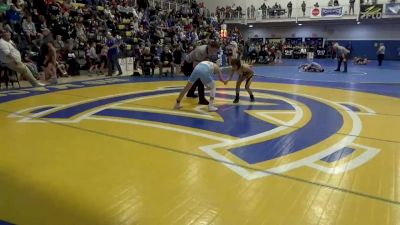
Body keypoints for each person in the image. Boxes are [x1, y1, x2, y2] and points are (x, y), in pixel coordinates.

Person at [182, 40, 220, 105]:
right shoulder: (200, 51)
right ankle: (201, 99)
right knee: (200, 80)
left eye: (216, 51)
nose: (214, 52)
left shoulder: (210, 50)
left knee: (197, 79)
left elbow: (206, 61)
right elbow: (195, 66)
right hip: (188, 64)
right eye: (214, 50)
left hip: (197, 62)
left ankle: (190, 93)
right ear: (210, 47)